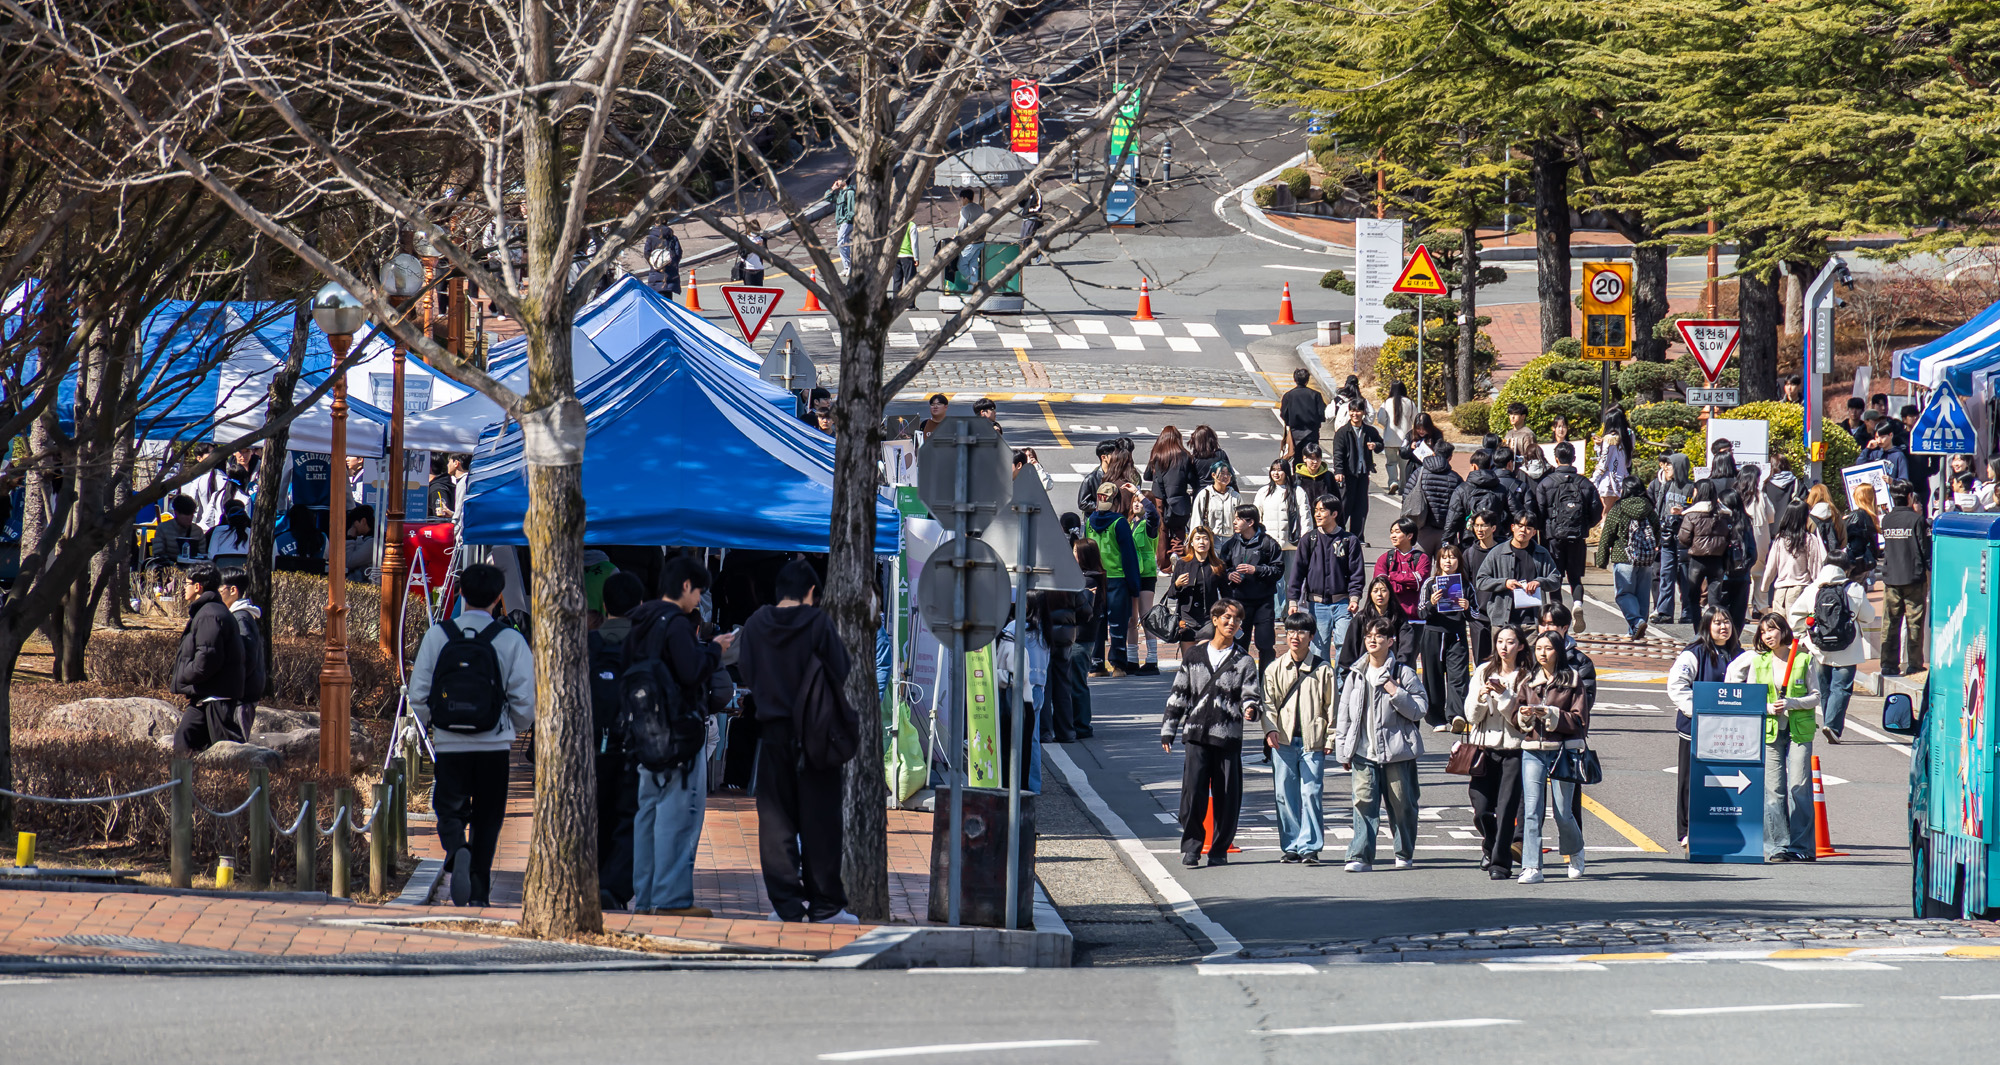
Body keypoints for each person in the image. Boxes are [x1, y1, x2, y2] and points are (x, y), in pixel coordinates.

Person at [408, 563, 536, 907]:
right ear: (498, 599)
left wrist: (435, 725)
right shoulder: (510, 640)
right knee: (488, 817)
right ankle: (478, 890)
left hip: (450, 743)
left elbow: (418, 694)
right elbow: (525, 701)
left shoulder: (439, 635)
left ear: (460, 593)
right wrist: (512, 728)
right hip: (494, 745)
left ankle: (456, 849)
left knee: (448, 809)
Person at [737, 558, 854, 922]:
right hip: (816, 732)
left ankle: (786, 905)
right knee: (820, 819)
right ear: (811, 592)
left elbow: (746, 671)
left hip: (771, 731)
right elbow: (841, 668)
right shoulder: (818, 622)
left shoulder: (756, 623)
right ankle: (825, 905)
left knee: (776, 822)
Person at [1161, 599, 1262, 867]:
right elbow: (1179, 694)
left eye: (1237, 620)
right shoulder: (1194, 655)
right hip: (1196, 734)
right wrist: (1168, 730)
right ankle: (1192, 847)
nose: (1232, 623)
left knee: (1227, 796)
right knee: (1192, 794)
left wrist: (1251, 709)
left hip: (1228, 736)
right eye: (1227, 618)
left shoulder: (1244, 660)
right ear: (1215, 619)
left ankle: (1219, 849)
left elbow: (1251, 694)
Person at [1726, 613, 1820, 862]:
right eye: (1763, 632)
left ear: (1783, 630)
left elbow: (1816, 696)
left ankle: (1802, 847)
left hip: (1800, 729)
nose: (1767, 636)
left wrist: (1792, 702)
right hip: (1770, 730)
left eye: (1772, 630)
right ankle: (1777, 846)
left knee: (1798, 787)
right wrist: (1768, 708)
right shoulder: (1759, 662)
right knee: (1773, 789)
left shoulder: (1803, 658)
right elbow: (1752, 698)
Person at [1334, 617, 1425, 872]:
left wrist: (1396, 692)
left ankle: (1404, 851)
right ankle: (1360, 856)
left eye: (1379, 636)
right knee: (1363, 802)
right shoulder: (1356, 673)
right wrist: (1343, 749)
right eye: (1369, 636)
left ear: (1390, 641)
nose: (1372, 640)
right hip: (1364, 752)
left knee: (1403, 803)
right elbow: (1345, 714)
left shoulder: (1402, 673)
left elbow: (1420, 709)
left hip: (1397, 752)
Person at [588, 571, 645, 912]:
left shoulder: (588, 642)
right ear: (639, 605)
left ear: (604, 604)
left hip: (590, 745)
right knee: (629, 816)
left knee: (594, 813)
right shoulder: (643, 644)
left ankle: (591, 880)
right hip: (632, 744)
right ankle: (616, 887)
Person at [1262, 612, 1338, 864]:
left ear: (1311, 637)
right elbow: (1268, 704)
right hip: (1282, 742)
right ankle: (1291, 845)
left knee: (1311, 794)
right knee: (1284, 795)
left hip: (1312, 741)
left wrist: (1330, 738)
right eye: (1291, 631)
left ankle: (1310, 847)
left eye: (1302, 632)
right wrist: (1269, 730)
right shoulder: (1275, 668)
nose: (1295, 637)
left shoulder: (1323, 668)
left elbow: (1331, 707)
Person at [1516, 629, 1590, 883]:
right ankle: (1532, 866)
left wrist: (1551, 715)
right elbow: (1517, 717)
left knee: (1562, 812)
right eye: (1538, 648)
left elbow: (1580, 721)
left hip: (1563, 752)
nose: (1542, 653)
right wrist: (1524, 715)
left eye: (1547, 648)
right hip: (1533, 751)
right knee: (1532, 810)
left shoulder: (1572, 679)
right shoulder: (1528, 680)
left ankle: (1575, 851)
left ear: (1558, 651)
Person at [1458, 624, 1529, 880]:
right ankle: (1490, 845)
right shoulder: (1482, 672)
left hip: (1514, 750)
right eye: (1500, 642)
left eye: (1510, 642)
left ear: (1520, 646)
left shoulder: (1526, 677)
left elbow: (1521, 722)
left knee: (1508, 807)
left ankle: (1501, 863)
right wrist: (1481, 695)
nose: (1504, 647)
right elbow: (1471, 716)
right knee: (1481, 808)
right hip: (1484, 750)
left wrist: (1503, 696)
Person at [1668, 606, 1740, 846]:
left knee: (1723, 780)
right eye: (1717, 623)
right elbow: (1677, 687)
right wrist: (1698, 714)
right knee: (1690, 781)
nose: (1723, 627)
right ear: (1707, 626)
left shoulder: (1739, 654)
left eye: (1727, 622)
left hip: (1730, 733)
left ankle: (1720, 826)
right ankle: (1686, 830)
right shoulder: (1694, 653)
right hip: (1695, 729)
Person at [1789, 554, 1876, 744]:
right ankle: (1832, 725)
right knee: (1841, 688)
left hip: (1819, 647)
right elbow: (1869, 617)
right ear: (1846, 569)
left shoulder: (1812, 589)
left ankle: (1829, 720)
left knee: (1824, 686)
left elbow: (1794, 617)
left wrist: (1804, 638)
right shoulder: (1854, 588)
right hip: (1848, 647)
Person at [170, 563, 246, 755]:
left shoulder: (209, 614)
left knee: (228, 751)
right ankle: (191, 782)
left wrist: (185, 674)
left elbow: (208, 657)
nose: (183, 588)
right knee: (185, 741)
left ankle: (241, 781)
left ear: (198, 587)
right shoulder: (209, 611)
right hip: (206, 694)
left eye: (186, 583)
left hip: (216, 694)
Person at [1535, 441, 1602, 631]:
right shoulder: (1585, 484)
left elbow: (1539, 511)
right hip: (1577, 536)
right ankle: (1578, 604)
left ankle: (1557, 616)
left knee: (1554, 577)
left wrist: (1545, 528)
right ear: (1573, 459)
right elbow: (1598, 510)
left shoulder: (1546, 483)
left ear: (1555, 459)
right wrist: (1585, 526)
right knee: (1575, 577)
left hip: (1553, 537)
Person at [1289, 496, 1365, 664]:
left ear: (1334, 514)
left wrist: (1354, 598)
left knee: (1344, 646)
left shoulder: (1349, 540)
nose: (1317, 514)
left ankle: (1340, 687)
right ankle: (1322, 685)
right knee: (1318, 648)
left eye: (1322, 510)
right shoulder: (1309, 539)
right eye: (1316, 510)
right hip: (1316, 605)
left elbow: (1356, 573)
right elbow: (1297, 572)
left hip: (1343, 603)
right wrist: (1293, 601)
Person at [1087, 481, 1143, 675]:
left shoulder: (1088, 522)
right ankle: (1118, 665)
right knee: (1118, 624)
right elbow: (1129, 556)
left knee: (1097, 622)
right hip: (1117, 578)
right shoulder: (1119, 523)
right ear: (1115, 501)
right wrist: (1134, 585)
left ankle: (1096, 665)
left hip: (1095, 577)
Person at [1594, 475, 1660, 638]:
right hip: (1645, 559)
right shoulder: (1648, 507)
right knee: (1643, 595)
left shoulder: (1619, 508)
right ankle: (1636, 631)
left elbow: (1607, 535)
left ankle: (1636, 622)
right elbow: (1657, 530)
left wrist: (1601, 560)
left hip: (1624, 558)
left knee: (1624, 594)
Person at [1219, 504, 1284, 664]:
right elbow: (1221, 568)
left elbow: (1278, 570)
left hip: (1264, 602)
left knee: (1265, 644)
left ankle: (1266, 683)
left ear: (1250, 522)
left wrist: (1256, 569)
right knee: (1239, 644)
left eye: (1238, 519)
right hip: (1239, 603)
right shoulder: (1231, 544)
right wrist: (1229, 575)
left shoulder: (1269, 543)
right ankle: (1240, 683)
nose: (1234, 522)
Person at [1418, 542, 1472, 731]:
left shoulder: (1465, 584)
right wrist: (1432, 603)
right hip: (1433, 634)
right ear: (1438, 561)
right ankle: (1437, 718)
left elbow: (1475, 614)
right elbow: (1421, 612)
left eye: (1453, 557)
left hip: (1456, 634)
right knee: (1433, 676)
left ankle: (1456, 715)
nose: (1448, 561)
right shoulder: (1430, 584)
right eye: (1444, 557)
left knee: (1458, 676)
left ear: (1459, 561)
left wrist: (1466, 607)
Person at [1475, 513, 1562, 627]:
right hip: (1503, 622)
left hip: (1533, 622)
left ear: (1534, 532)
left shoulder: (1541, 553)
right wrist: (1505, 583)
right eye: (1520, 526)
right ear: (1512, 527)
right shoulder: (1497, 552)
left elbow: (1555, 579)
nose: (1523, 531)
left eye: (1528, 528)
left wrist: (1539, 582)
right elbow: (1481, 581)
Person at [1879, 482, 1929, 676]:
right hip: (1913, 578)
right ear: (1909, 496)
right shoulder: (1916, 520)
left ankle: (1888, 664)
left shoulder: (1887, 520)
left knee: (1890, 622)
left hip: (1891, 578)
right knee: (1914, 623)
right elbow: (1924, 550)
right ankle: (1914, 664)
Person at [217, 567, 265, 738]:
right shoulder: (239, 616)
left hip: (242, 696)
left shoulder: (240, 618)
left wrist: (234, 684)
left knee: (238, 745)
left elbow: (248, 656)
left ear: (233, 590)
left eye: (219, 588)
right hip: (242, 693)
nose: (217, 593)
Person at [1761, 502, 1828, 620]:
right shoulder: (1809, 539)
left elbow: (1771, 567)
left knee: (1780, 628)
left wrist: (1765, 587)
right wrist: (1819, 587)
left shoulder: (1779, 540)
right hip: (1800, 589)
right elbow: (1815, 566)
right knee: (1797, 628)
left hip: (1780, 591)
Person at [1256, 459, 1309, 611]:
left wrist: (1305, 541)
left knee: (1291, 578)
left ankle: (1289, 609)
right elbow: (1256, 516)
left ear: (1287, 472)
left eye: (1280, 470)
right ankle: (1276, 611)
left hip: (1292, 544)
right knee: (1273, 579)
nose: (1276, 473)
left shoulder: (1298, 492)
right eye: (1273, 470)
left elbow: (1305, 517)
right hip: (1270, 544)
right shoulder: (1263, 492)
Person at [1169, 525, 1228, 658]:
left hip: (1208, 619)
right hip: (1187, 620)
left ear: (1210, 542)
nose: (1201, 542)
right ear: (1191, 543)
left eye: (1205, 539)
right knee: (1189, 662)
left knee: (1204, 660)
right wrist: (1177, 584)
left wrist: (1230, 616)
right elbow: (1172, 594)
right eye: (1198, 539)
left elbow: (1226, 595)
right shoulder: (1182, 564)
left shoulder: (1218, 565)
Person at [1677, 480, 1733, 612]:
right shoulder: (1724, 514)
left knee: (1694, 599)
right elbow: (1730, 535)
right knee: (1715, 599)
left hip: (1697, 560)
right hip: (1718, 560)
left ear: (1699, 492)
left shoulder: (1691, 514)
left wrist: (1694, 544)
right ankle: (1713, 627)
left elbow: (1683, 538)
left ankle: (1698, 630)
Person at [1339, 575, 1413, 671]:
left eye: (1383, 590)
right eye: (1375, 591)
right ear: (1370, 594)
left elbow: (1406, 648)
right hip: (1365, 673)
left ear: (1390, 593)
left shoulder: (1399, 618)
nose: (1379, 594)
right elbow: (1348, 652)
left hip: (1393, 672)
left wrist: (1398, 670)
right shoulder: (1361, 618)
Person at [1329, 403, 1381, 540]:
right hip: (1347, 474)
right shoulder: (1342, 432)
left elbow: (1380, 444)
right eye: (1352, 411)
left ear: (1363, 412)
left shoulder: (1369, 431)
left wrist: (1375, 445)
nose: (1355, 414)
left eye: (1358, 411)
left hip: (1363, 473)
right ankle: (1338, 533)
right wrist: (1338, 471)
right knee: (1345, 505)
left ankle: (1357, 537)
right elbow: (1338, 453)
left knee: (1361, 506)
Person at [1145, 426, 1195, 563]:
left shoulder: (1157, 455)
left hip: (1159, 498)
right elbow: (1191, 478)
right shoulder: (1185, 456)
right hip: (1179, 499)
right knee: (1179, 528)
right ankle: (1176, 552)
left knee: (1162, 530)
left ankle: (1163, 563)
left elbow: (1147, 476)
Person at [1126, 491, 1162, 675]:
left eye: (1140, 502)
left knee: (1145, 616)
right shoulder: (1129, 524)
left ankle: (1152, 659)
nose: (1137, 504)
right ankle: (1132, 660)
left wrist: (1139, 494)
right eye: (1134, 501)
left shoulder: (1150, 524)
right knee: (1131, 619)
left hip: (1146, 574)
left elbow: (1153, 514)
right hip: (1131, 573)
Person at [1461, 509, 1504, 663]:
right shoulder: (1469, 553)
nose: (1479, 530)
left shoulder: (1504, 552)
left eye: (1484, 526)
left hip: (1501, 612)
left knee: (1503, 658)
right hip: (1478, 614)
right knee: (1481, 659)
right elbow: (1465, 583)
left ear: (1493, 528)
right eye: (1476, 525)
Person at [1444, 450, 1510, 548]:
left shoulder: (1462, 489)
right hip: (1495, 539)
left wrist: (1446, 540)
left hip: (1469, 540)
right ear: (1489, 467)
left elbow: (1453, 517)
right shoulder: (1501, 489)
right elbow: (1515, 511)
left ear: (1474, 466)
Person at [1373, 516, 1431, 622]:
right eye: (1391, 532)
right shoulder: (1385, 558)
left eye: (1397, 532)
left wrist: (1393, 576)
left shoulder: (1422, 558)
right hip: (1389, 618)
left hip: (1416, 618)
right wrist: (1407, 586)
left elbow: (1418, 583)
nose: (1392, 536)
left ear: (1409, 535)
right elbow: (1380, 585)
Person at [1411, 440, 1462, 556]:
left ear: (1434, 453)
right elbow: (1460, 506)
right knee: (1445, 569)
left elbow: (1407, 496)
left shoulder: (1419, 473)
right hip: (1446, 531)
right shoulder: (1455, 478)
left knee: (1420, 569)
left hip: (1422, 528)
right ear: (1450, 457)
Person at [1375, 381, 1416, 491]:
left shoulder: (1386, 403)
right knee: (1404, 465)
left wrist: (1388, 426)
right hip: (1405, 440)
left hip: (1389, 438)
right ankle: (1403, 486)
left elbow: (1381, 419)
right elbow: (1415, 419)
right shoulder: (1410, 403)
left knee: (1391, 463)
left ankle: (1393, 482)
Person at [1280, 368, 1327, 460]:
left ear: (1295, 380)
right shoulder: (1316, 395)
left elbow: (1283, 414)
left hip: (1295, 433)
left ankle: (1297, 474)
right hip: (1312, 432)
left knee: (1297, 459)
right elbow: (1321, 414)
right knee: (1312, 458)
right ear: (1307, 380)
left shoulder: (1288, 395)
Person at [152, 494, 206, 567]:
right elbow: (158, 554)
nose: (190, 518)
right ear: (176, 513)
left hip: (192, 569)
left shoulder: (198, 531)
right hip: (168, 568)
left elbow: (202, 555)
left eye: (191, 514)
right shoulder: (163, 529)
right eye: (186, 514)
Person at [1191, 461, 1241, 540]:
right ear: (1213, 475)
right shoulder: (1204, 494)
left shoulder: (1235, 496)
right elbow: (1196, 520)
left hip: (1231, 540)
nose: (1225, 476)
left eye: (1228, 474)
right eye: (1222, 473)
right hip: (1211, 539)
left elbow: (1241, 519)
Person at [1845, 482, 1883, 578]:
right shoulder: (1872, 517)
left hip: (1856, 563)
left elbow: (1848, 539)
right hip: (1867, 562)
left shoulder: (1856, 515)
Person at [1077, 438, 1123, 510]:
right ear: (1104, 457)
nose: (1118, 457)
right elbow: (1083, 503)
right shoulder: (1091, 479)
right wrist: (1104, 506)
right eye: (1115, 455)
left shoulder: (1120, 476)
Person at [1293, 443, 1337, 510]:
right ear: (1304, 458)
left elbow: (1336, 500)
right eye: (1312, 459)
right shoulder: (1296, 478)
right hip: (1303, 516)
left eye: (1318, 458)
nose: (1315, 462)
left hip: (1324, 517)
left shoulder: (1328, 476)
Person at [1806, 482, 1846, 556]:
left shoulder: (1809, 517)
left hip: (1815, 558)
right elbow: (1843, 540)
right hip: (1835, 557)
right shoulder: (1836, 514)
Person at [643, 223, 683, 296]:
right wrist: (672, 264)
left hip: (655, 274)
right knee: (667, 301)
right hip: (669, 275)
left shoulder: (651, 238)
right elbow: (678, 253)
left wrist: (654, 264)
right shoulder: (672, 238)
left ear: (655, 223)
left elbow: (646, 253)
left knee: (656, 303)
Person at [829, 177, 857, 275]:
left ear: (845, 181)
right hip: (840, 223)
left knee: (840, 242)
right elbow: (828, 198)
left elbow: (852, 210)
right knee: (844, 243)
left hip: (846, 222)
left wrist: (846, 220)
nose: (837, 181)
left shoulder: (850, 193)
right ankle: (847, 267)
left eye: (840, 180)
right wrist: (832, 189)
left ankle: (849, 266)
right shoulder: (841, 193)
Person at [738, 218, 767, 286]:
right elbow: (742, 253)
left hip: (759, 268)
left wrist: (762, 246)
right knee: (749, 290)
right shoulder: (744, 239)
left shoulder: (762, 239)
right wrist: (754, 246)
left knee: (759, 291)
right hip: (748, 269)